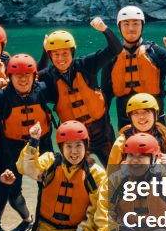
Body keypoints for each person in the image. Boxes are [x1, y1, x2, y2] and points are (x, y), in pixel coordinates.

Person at [0, 53, 55, 231]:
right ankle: (26, 220)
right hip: (13, 148)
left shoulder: (43, 89)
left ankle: (41, 224)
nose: (23, 79)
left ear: (34, 77)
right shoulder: (3, 96)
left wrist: (45, 53)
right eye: (18, 76)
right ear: (9, 77)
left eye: (27, 75)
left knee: (47, 188)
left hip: (43, 146)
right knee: (11, 191)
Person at [17, 121, 108, 231]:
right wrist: (33, 142)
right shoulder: (50, 161)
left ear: (86, 146)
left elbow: (97, 209)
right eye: (69, 146)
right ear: (61, 147)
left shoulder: (95, 173)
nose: (74, 152)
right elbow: (25, 168)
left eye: (78, 146)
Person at [38, 19, 122, 164]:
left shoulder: (86, 65)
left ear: (72, 52)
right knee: (81, 179)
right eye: (55, 55)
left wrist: (105, 30)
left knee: (117, 170)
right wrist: (44, 53)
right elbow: (31, 79)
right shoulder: (48, 77)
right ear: (50, 56)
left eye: (65, 53)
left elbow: (116, 49)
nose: (61, 58)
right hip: (75, 138)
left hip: (102, 131)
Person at [102, 6, 166, 130]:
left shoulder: (155, 52)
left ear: (142, 26)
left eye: (136, 24)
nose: (131, 28)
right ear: (119, 27)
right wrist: (104, 125)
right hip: (126, 122)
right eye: (126, 24)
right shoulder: (111, 57)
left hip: (156, 121)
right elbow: (105, 94)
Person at [107, 93, 166, 165]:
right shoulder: (122, 142)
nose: (141, 117)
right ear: (130, 117)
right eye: (135, 113)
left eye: (146, 112)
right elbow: (110, 180)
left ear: (156, 115)